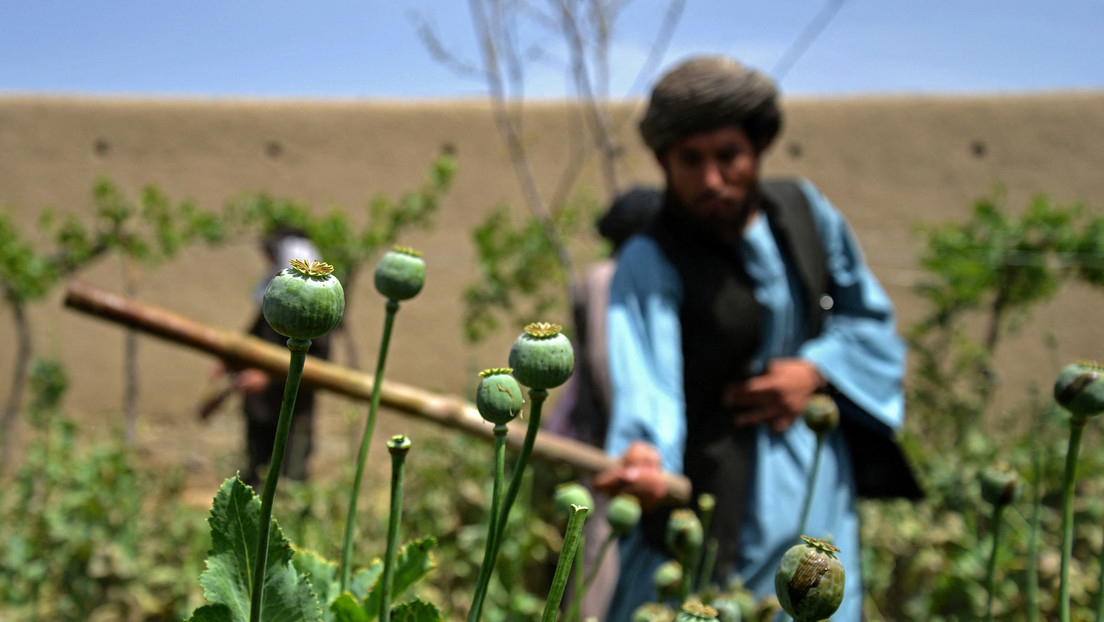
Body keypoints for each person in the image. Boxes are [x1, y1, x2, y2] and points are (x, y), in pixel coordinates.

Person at [592, 55, 919, 621]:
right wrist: (646, 456)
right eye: (690, 161)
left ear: (759, 147)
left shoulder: (807, 215)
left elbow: (867, 322)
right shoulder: (650, 258)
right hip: (708, 496)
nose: (711, 180)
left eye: (728, 156)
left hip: (817, 489)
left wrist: (816, 370)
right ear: (663, 161)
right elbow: (648, 385)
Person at [546, 187, 662, 621]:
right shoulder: (608, 278)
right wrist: (631, 433)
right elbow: (602, 358)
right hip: (610, 444)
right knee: (600, 556)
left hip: (627, 442)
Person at [203, 225, 331, 487]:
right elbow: (251, 337)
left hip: (291, 409)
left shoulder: (315, 311)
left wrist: (268, 377)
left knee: (288, 479)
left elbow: (316, 364)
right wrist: (228, 361)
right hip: (259, 410)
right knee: (257, 475)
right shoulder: (272, 299)